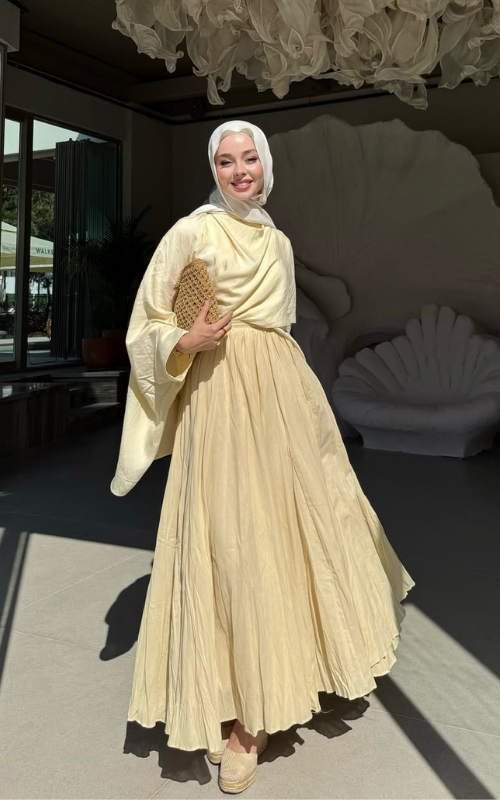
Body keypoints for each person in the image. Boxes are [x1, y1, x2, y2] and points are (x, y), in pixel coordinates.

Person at [111, 120, 414, 794]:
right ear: (212, 169)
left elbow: (280, 328)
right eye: (226, 161)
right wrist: (183, 341)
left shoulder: (277, 241)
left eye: (249, 158)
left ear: (265, 165)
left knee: (284, 534)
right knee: (225, 540)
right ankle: (229, 694)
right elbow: (146, 323)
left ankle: (256, 717)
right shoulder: (192, 232)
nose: (239, 170)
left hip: (282, 396)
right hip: (218, 395)